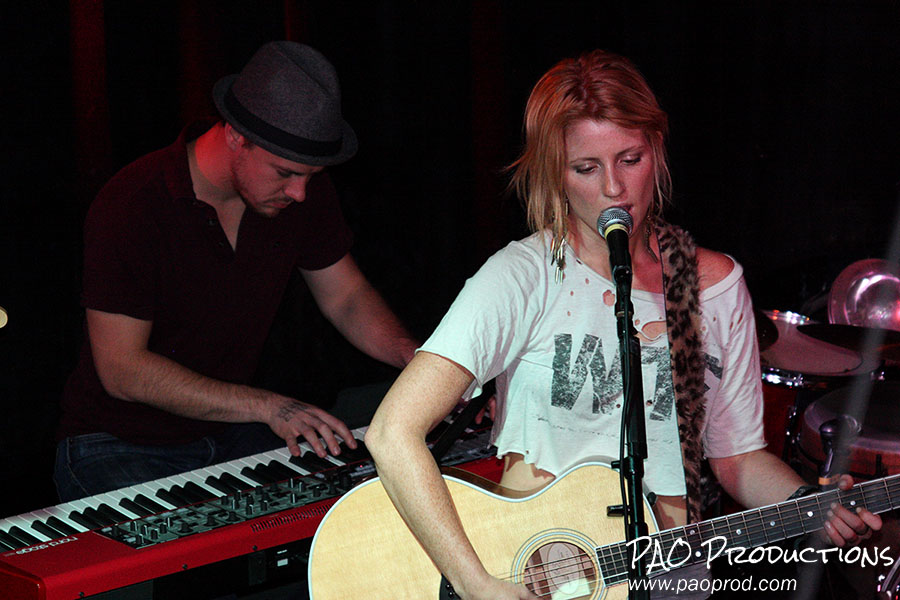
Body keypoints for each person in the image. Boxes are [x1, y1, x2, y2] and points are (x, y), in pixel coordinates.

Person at [365, 50, 882, 599]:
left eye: (629, 158)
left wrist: (806, 503)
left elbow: (736, 459)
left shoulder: (715, 285)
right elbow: (391, 433)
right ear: (554, 174)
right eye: (586, 168)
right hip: (539, 576)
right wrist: (474, 583)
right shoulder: (523, 276)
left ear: (657, 150)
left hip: (673, 579)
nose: (614, 188)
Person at [54, 41, 418, 502]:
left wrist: (418, 359)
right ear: (234, 135)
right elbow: (122, 370)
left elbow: (345, 298)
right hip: (115, 443)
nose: (301, 193)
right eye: (286, 173)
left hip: (231, 435)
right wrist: (266, 405)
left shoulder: (297, 194)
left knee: (341, 511)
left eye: (312, 176)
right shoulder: (133, 204)